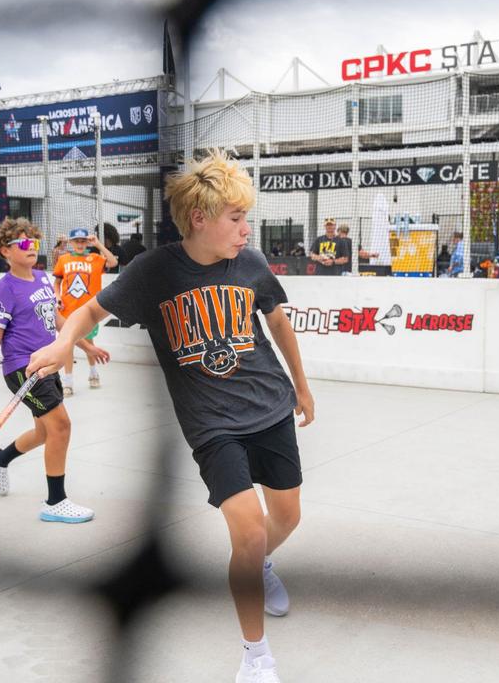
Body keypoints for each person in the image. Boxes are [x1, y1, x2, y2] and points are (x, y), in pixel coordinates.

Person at [27, 150, 314, 683]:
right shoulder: (155, 271)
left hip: (270, 409)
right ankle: (257, 659)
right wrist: (64, 342)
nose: (246, 229)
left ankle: (257, 567)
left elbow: (278, 323)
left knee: (287, 518)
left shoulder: (250, 264)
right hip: (211, 425)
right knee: (247, 531)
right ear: (200, 218)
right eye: (236, 218)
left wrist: (301, 386)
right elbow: (90, 310)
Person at [0, 218, 109, 524]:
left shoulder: (43, 278)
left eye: (34, 242)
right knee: (61, 427)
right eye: (23, 244)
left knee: (45, 432)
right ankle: (55, 502)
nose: (31, 248)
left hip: (47, 364)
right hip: (23, 367)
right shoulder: (3, 290)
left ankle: (1, 459)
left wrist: (87, 347)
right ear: (5, 250)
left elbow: (59, 321)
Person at [54, 228, 118, 394]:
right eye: (77, 241)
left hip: (89, 311)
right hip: (67, 310)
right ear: (71, 242)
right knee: (68, 345)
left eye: (83, 241)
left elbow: (113, 263)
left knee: (89, 343)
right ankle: (67, 382)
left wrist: (98, 244)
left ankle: (93, 373)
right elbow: (57, 282)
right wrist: (57, 297)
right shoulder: (64, 259)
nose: (80, 244)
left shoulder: (95, 259)